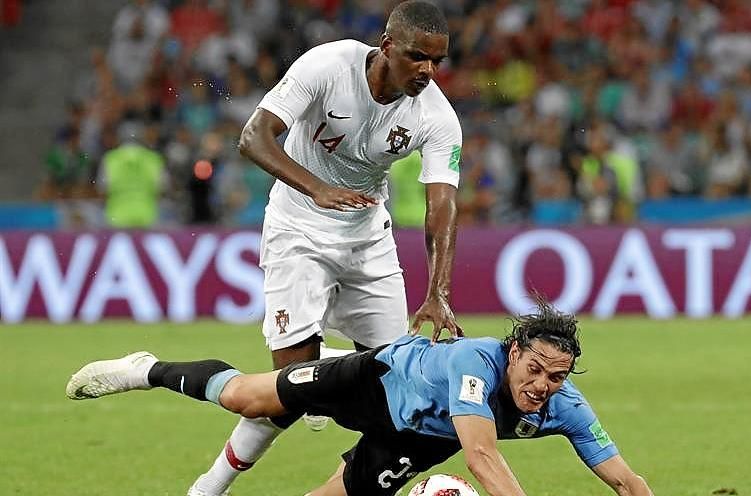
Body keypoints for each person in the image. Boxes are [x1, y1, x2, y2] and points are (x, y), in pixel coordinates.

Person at [187, 1, 463, 495]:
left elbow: (441, 205)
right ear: (387, 46)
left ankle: (329, 393)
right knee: (289, 385)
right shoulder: (329, 65)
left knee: (399, 388)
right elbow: (253, 137)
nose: (428, 70)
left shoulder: (436, 116)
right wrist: (316, 188)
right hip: (297, 229)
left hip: (368, 243)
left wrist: (438, 291)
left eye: (436, 61)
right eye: (417, 57)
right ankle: (208, 488)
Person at [66, 297, 654, 496]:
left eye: (557, 377)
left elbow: (627, 482)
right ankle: (146, 369)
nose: (542, 385)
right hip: (375, 382)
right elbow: (481, 456)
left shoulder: (565, 407)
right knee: (246, 398)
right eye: (535, 369)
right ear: (514, 351)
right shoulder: (477, 362)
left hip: (421, 439)